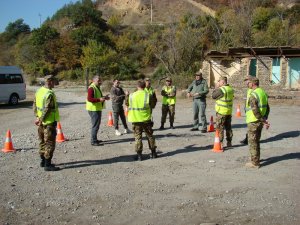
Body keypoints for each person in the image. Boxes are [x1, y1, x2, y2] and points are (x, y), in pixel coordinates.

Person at [33, 75, 60, 171]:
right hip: (49, 122)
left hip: (41, 122)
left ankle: (42, 161)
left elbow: (35, 104)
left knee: (42, 141)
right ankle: (47, 164)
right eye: (54, 81)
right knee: (49, 143)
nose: (55, 83)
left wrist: (37, 117)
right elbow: (47, 108)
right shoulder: (49, 93)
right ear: (50, 82)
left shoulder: (39, 91)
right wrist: (41, 119)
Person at [126, 80, 157, 161]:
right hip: (146, 119)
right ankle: (153, 153)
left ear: (137, 86)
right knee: (150, 136)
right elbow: (153, 105)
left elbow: (127, 104)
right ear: (144, 86)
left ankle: (139, 155)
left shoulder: (132, 95)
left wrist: (126, 96)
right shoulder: (148, 95)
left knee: (138, 138)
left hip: (136, 120)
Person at [244, 76, 270, 168]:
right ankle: (256, 158)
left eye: (248, 82)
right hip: (259, 121)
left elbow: (255, 111)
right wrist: (265, 119)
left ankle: (255, 163)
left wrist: (263, 120)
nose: (247, 84)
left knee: (252, 142)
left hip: (254, 121)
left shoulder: (253, 95)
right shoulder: (262, 92)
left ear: (253, 83)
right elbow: (267, 108)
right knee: (257, 141)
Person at [86, 75, 110, 146]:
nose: (100, 81)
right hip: (93, 109)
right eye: (98, 80)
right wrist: (99, 99)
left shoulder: (97, 87)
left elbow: (97, 97)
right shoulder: (91, 88)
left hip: (97, 108)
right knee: (95, 125)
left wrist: (104, 98)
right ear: (94, 80)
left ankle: (95, 139)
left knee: (97, 125)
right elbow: (89, 99)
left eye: (100, 80)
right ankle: (93, 141)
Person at [212, 76, 234, 148]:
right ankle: (229, 142)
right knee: (228, 128)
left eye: (219, 81)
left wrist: (216, 88)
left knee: (220, 128)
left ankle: (220, 143)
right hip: (228, 111)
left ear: (223, 82)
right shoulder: (230, 89)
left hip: (221, 112)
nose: (218, 83)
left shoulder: (221, 90)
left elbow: (213, 96)